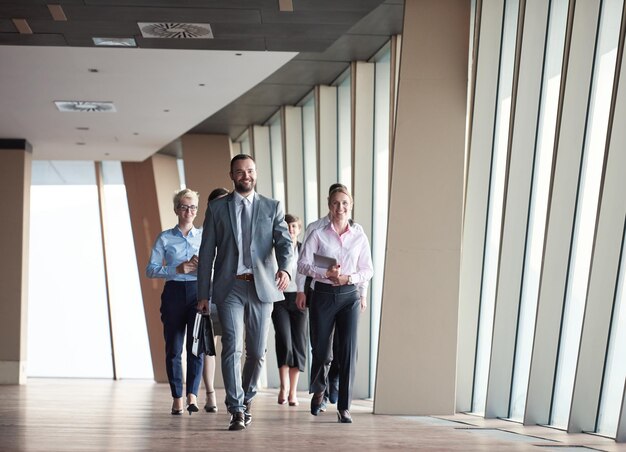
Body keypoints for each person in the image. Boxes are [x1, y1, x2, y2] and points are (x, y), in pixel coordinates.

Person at [197, 154, 293, 431]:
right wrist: (203, 292)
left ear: (255, 173)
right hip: (230, 287)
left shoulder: (271, 206)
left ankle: (247, 398)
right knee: (232, 346)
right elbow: (206, 254)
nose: (245, 176)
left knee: (257, 352)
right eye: (240, 172)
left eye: (250, 171)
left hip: (262, 286)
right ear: (232, 175)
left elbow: (285, 244)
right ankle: (236, 407)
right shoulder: (217, 208)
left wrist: (286, 270)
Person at [297, 186, 373, 424]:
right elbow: (302, 264)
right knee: (321, 350)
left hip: (349, 295)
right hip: (322, 294)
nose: (340, 208)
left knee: (349, 350)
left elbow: (367, 269)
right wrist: (324, 272)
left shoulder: (359, 234)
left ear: (350, 205)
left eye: (344, 204)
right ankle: (319, 388)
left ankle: (344, 407)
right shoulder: (318, 233)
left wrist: (353, 283)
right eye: (335, 204)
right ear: (329, 205)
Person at [146, 188, 203, 415]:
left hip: (199, 293)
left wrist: (205, 266)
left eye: (192, 207)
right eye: (183, 206)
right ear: (176, 210)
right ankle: (177, 397)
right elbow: (150, 270)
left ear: (196, 211)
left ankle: (192, 395)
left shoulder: (205, 237)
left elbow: (217, 266)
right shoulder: (165, 237)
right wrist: (176, 268)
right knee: (173, 348)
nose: (188, 211)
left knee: (195, 347)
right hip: (174, 292)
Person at [271, 214, 307, 407]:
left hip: (300, 298)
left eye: (294, 226)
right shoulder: (275, 249)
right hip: (280, 298)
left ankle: (293, 392)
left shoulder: (304, 249)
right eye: (288, 226)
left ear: (299, 229)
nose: (291, 229)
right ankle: (283, 387)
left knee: (299, 343)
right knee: (284, 341)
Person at [201, 187, 229, 413]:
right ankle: (210, 394)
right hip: (208, 297)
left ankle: (233, 394)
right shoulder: (202, 232)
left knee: (232, 345)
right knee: (209, 347)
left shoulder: (235, 231)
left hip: (229, 295)